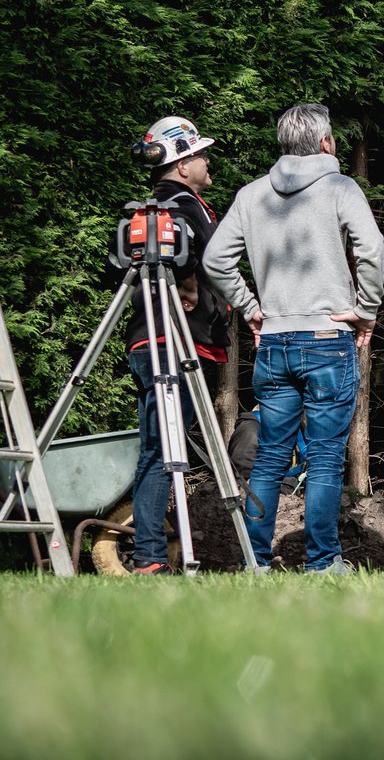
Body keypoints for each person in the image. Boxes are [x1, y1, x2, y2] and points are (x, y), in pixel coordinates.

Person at [204, 103, 384, 574]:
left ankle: (255, 561)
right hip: (328, 337)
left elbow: (215, 260)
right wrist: (366, 310)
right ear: (325, 143)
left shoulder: (250, 195)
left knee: (268, 458)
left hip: (277, 344)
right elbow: (372, 248)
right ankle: (323, 563)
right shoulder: (341, 187)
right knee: (324, 459)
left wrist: (250, 308)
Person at [120, 116, 228, 575]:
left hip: (149, 340)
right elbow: (183, 252)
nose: (207, 162)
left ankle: (148, 553)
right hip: (174, 342)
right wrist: (185, 282)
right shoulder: (182, 205)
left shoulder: (143, 208)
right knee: (165, 450)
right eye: (200, 155)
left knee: (156, 447)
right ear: (181, 165)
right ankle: (149, 556)